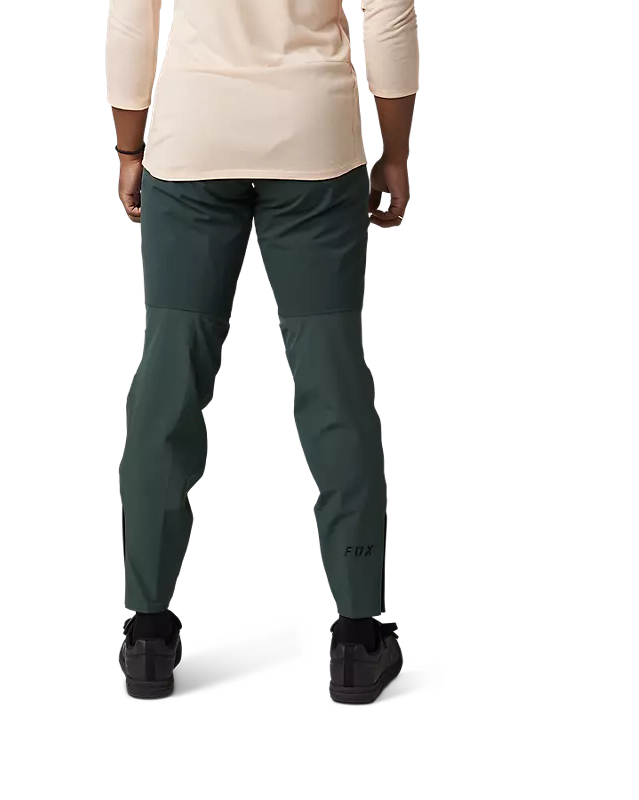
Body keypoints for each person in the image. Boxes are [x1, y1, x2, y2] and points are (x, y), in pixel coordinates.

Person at [107, 0, 420, 702]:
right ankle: (359, 640)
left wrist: (128, 149)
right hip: (315, 141)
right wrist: (396, 151)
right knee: (333, 376)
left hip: (192, 140)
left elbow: (132, 17)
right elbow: (389, 14)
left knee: (169, 376)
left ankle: (147, 638)